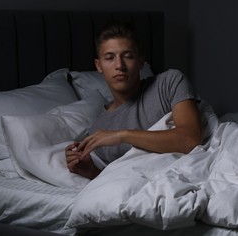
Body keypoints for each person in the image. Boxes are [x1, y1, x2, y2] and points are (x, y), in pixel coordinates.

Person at [65, 21, 203, 180]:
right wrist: (90, 172)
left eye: (128, 56)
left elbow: (191, 139)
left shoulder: (169, 82)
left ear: (140, 61)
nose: (119, 65)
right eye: (109, 58)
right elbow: (120, 182)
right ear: (99, 65)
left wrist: (122, 135)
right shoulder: (99, 130)